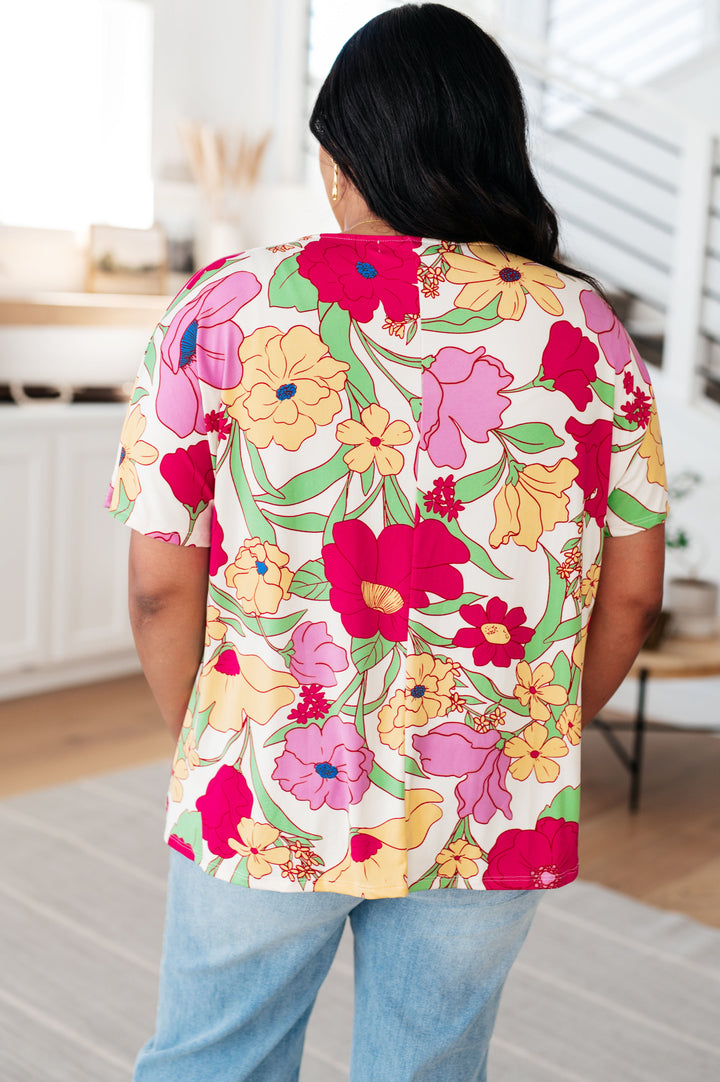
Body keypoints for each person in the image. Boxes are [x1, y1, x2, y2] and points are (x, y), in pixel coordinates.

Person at [107, 4, 667, 1079]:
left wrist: (208, 741)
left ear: (339, 158)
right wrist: (532, 732)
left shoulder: (225, 304)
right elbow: (633, 597)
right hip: (487, 787)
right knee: (430, 1065)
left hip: (262, 769)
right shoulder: (585, 328)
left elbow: (158, 587)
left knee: (213, 1060)